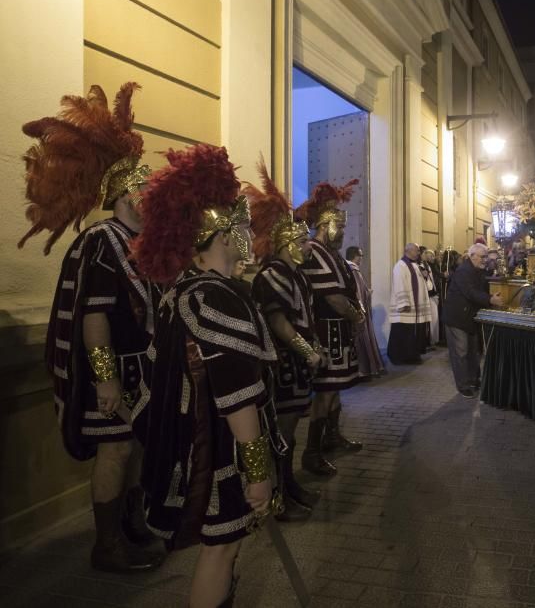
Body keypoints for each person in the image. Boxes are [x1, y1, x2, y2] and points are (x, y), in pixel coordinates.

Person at [17, 83, 165, 573]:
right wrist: (104, 379)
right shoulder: (104, 242)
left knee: (137, 446)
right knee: (117, 450)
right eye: (145, 189)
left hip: (142, 370)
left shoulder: (138, 244)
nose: (152, 197)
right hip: (114, 372)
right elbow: (95, 315)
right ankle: (107, 546)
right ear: (124, 194)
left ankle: (132, 523)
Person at [131, 144, 276, 608]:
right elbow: (236, 396)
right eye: (245, 226)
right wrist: (258, 472)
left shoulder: (190, 290)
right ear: (226, 235)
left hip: (208, 443)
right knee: (222, 546)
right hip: (219, 451)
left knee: (223, 548)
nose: (252, 234)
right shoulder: (215, 296)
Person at [245, 162, 321, 521]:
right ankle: (278, 497)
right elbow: (278, 321)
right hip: (282, 363)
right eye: (303, 241)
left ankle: (289, 485)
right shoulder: (274, 275)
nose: (308, 247)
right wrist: (307, 352)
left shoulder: (295, 275)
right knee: (281, 432)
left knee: (290, 430)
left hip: (297, 363)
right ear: (289, 244)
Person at [294, 181, 366, 476]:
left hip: (340, 330)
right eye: (339, 226)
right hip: (327, 330)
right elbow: (333, 297)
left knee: (335, 389)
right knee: (325, 391)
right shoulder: (314, 251)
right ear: (326, 225)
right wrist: (357, 317)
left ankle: (332, 436)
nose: (343, 232)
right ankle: (312, 452)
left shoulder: (332, 253)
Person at [443, 243, 504, 397]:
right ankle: (463, 385)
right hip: (457, 318)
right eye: (482, 257)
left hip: (470, 317)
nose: (485, 260)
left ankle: (474, 379)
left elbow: (481, 289)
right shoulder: (463, 271)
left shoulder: (478, 270)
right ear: (472, 256)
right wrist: (490, 299)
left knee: (473, 352)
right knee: (461, 353)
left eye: (486, 257)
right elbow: (470, 292)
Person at [345, 245, 387, 379]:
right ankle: (363, 370)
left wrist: (366, 292)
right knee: (361, 339)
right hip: (359, 312)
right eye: (360, 255)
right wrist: (362, 306)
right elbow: (357, 293)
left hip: (357, 309)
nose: (362, 258)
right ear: (355, 256)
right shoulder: (353, 270)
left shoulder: (348, 269)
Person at [388, 242, 431, 364]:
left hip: (415, 306)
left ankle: (411, 356)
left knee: (412, 334)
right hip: (406, 307)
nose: (418, 253)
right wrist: (403, 303)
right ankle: (398, 357)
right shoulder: (400, 266)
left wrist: (425, 276)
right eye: (417, 251)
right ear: (408, 251)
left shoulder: (416, 265)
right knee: (402, 333)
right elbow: (399, 284)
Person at [420, 248, 441, 346]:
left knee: (434, 319)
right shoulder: (420, 265)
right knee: (430, 320)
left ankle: (433, 340)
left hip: (433, 294)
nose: (432, 257)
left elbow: (432, 279)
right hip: (427, 295)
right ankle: (429, 340)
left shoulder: (428, 265)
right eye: (429, 255)